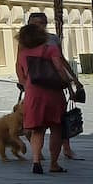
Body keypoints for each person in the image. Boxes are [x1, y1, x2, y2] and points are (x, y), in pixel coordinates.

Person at [17, 20, 72, 174]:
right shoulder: (51, 49)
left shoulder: (23, 53)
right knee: (56, 128)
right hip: (52, 92)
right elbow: (60, 68)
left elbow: (22, 74)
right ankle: (54, 164)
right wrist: (68, 82)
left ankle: (36, 161)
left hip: (33, 94)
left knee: (37, 129)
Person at [28, 11, 81, 159]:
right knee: (38, 124)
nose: (39, 27)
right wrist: (24, 82)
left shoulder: (52, 39)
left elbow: (61, 61)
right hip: (36, 86)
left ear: (46, 24)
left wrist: (74, 81)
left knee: (60, 120)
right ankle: (38, 156)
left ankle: (66, 148)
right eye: (35, 24)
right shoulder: (26, 41)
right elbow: (20, 63)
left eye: (42, 23)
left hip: (55, 84)